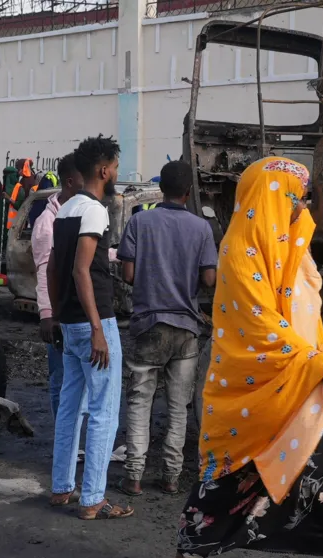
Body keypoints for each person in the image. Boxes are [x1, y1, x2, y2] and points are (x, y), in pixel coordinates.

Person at [171, 157, 323, 558]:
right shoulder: (241, 251)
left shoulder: (293, 247)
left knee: (320, 486)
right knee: (220, 492)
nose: (302, 206)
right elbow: (259, 323)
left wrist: (321, 366)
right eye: (296, 196)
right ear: (271, 195)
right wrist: (319, 365)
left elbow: (308, 315)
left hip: (301, 391)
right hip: (253, 396)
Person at [115, 160, 217, 498]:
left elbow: (128, 275)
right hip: (186, 328)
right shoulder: (201, 229)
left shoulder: (140, 221)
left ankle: (134, 477)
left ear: (161, 189)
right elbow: (208, 279)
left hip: (148, 325)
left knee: (140, 402)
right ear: (188, 192)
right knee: (178, 408)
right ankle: (171, 477)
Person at [46, 135, 133, 520]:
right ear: (103, 170)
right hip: (95, 322)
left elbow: (53, 268)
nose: (116, 173)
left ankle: (62, 487)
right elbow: (82, 269)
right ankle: (93, 498)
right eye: (114, 166)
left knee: (70, 407)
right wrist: (98, 328)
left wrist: (58, 313)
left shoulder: (65, 209)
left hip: (70, 322)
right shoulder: (95, 210)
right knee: (103, 411)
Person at [33, 153, 80, 418]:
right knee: (61, 381)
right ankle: (66, 443)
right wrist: (47, 316)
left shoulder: (77, 212)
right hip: (59, 316)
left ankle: (76, 443)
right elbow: (43, 272)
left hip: (78, 313)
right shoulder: (46, 225)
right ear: (71, 182)